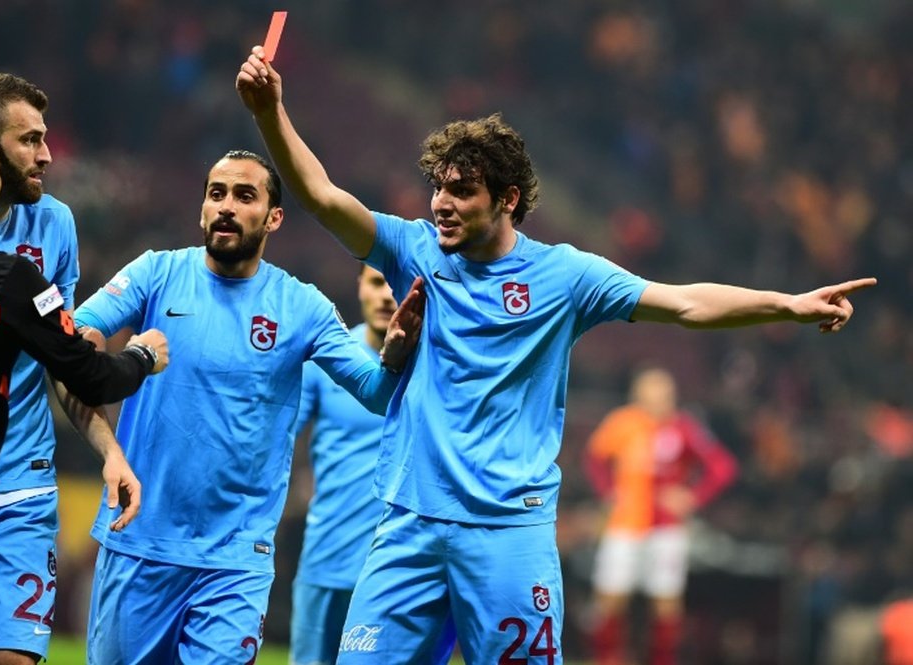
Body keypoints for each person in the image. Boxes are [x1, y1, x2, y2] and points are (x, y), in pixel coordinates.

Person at [235, 46, 876, 663]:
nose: (441, 204)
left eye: (461, 191)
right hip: (410, 524)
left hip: (508, 535)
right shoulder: (414, 249)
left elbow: (684, 303)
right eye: (438, 188)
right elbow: (321, 197)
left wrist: (788, 305)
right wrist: (269, 113)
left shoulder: (565, 277)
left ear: (507, 198)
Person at [73, 149, 424, 664]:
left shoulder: (302, 307)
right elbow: (74, 343)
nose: (227, 207)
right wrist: (114, 428)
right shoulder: (156, 274)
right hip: (139, 541)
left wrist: (393, 357)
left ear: (274, 217)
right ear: (201, 209)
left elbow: (375, 394)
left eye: (245, 195)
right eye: (217, 194)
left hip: (236, 561)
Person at [0, 110, 167, 665]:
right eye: (29, 140)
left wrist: (110, 450)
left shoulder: (53, 226)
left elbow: (64, 362)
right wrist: (144, 355)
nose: (47, 155)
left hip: (11, 494)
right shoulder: (8, 278)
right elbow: (84, 366)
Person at [291, 264, 455, 665]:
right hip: (328, 559)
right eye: (376, 282)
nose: (386, 296)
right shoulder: (328, 360)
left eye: (396, 285)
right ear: (359, 287)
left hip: (410, 567)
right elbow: (275, 438)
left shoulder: (444, 369)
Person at [583, 366, 738, 665]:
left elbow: (722, 466)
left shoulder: (684, 427)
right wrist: (608, 492)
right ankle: (607, 659)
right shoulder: (622, 423)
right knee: (609, 599)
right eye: (650, 395)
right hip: (625, 523)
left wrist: (692, 497)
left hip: (666, 528)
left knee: (666, 604)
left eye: (663, 395)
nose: (657, 402)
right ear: (637, 396)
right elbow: (594, 458)